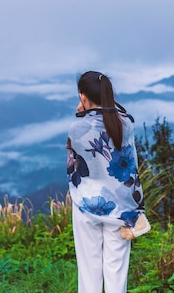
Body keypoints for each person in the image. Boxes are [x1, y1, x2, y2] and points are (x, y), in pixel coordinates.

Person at [66, 71, 145, 293]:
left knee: (89, 273)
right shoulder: (126, 124)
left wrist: (81, 112)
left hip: (86, 207)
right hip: (121, 209)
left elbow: (72, 168)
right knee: (116, 273)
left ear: (83, 97)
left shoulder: (77, 129)